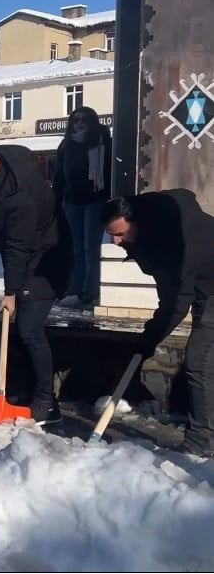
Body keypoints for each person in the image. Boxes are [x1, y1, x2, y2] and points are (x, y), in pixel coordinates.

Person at [100, 190, 214, 457]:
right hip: (202, 285)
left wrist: (148, 341)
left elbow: (175, 305)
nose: (115, 241)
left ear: (135, 221)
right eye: (110, 234)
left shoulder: (176, 239)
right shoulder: (146, 231)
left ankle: (202, 442)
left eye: (120, 234)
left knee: (198, 361)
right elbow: (170, 292)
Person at [0, 143, 71, 424]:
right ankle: (26, 392)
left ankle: (47, 404)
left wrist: (10, 291)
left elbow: (16, 246)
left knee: (30, 329)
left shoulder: (20, 196)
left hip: (47, 258)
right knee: (25, 329)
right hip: (25, 253)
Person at [53, 106, 112, 306]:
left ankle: (90, 290)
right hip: (72, 201)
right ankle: (74, 288)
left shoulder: (103, 142)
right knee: (76, 247)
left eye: (84, 120)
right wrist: (56, 199)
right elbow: (59, 174)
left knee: (91, 247)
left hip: (95, 199)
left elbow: (110, 172)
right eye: (76, 120)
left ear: (92, 122)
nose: (79, 123)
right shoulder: (66, 144)